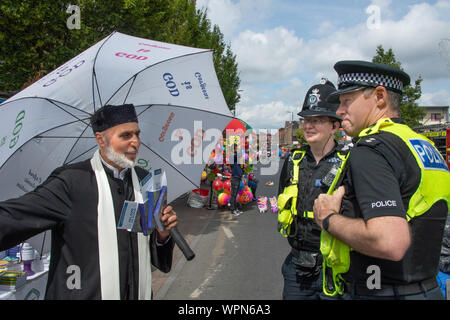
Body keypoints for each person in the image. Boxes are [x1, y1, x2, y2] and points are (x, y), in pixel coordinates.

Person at [0, 104, 178, 300]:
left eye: (137, 134)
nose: (135, 142)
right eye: (126, 136)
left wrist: (162, 236)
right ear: (101, 139)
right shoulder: (71, 181)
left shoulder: (146, 182)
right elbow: (16, 216)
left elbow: (158, 260)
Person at [313, 61, 450, 300]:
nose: (339, 111)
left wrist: (328, 219)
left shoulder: (371, 149)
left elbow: (389, 241)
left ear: (379, 97)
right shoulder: (422, 145)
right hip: (428, 287)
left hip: (380, 290)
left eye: (347, 101)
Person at [278, 79, 348, 300]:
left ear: (335, 126)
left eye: (317, 120)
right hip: (296, 268)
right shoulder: (293, 160)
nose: (308, 126)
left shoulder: (349, 162)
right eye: (306, 120)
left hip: (334, 268)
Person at [229, 143, 244, 217]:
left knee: (235, 194)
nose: (237, 149)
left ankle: (235, 208)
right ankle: (233, 209)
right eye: (236, 148)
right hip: (234, 178)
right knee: (233, 195)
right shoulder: (232, 156)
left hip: (237, 177)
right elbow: (238, 155)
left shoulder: (235, 157)